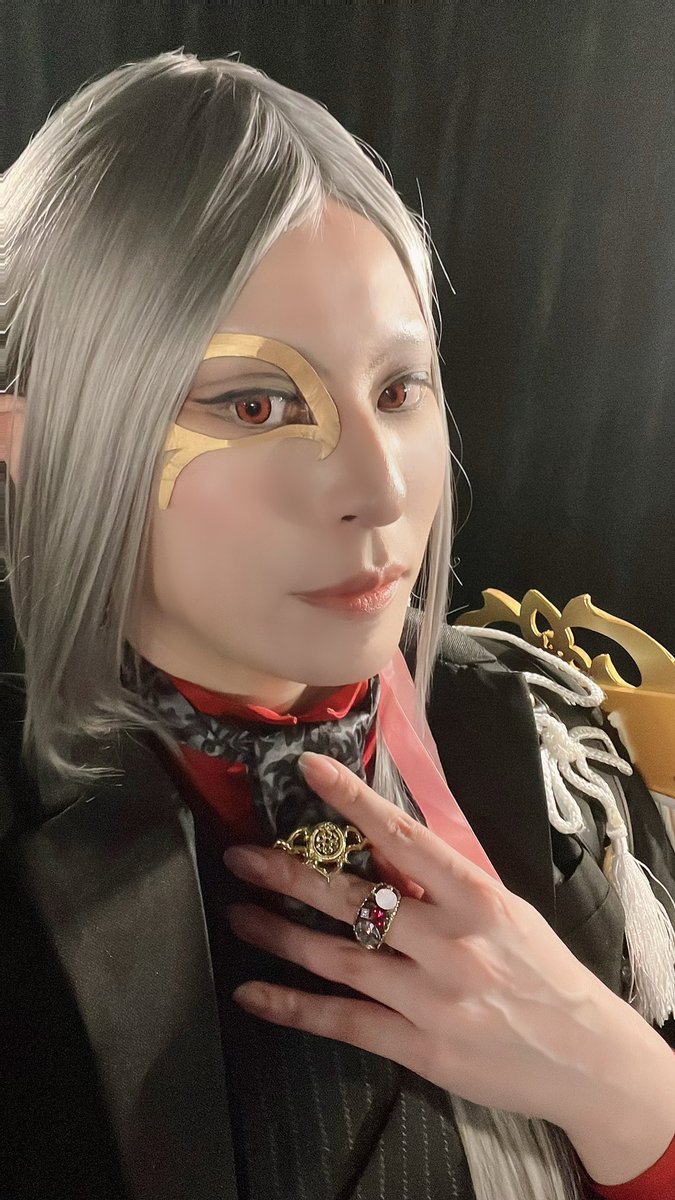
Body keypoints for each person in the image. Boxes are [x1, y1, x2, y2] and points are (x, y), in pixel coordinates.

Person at [1, 49, 674, 1200]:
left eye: (398, 390)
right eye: (258, 402)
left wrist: (627, 1092)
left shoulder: (549, 732)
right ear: (36, 448)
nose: (380, 485)